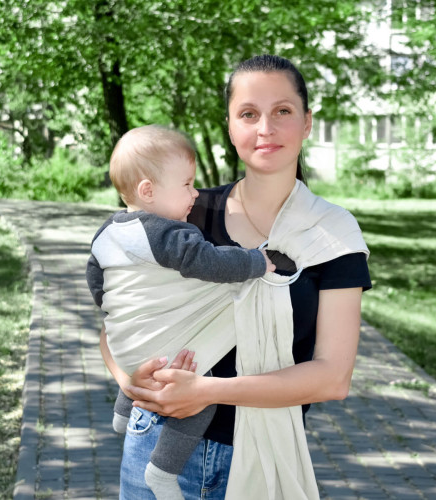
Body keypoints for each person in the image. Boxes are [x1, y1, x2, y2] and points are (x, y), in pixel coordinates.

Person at [100, 54, 373, 500]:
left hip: (262, 456)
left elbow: (332, 378)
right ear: (230, 126)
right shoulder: (182, 212)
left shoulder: (332, 234)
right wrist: (128, 380)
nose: (265, 128)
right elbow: (117, 319)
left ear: (307, 122)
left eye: (282, 111)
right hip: (156, 445)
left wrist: (207, 391)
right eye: (248, 114)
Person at [85, 124, 276, 500]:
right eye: (187, 184)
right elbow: (207, 261)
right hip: (164, 354)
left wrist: (116, 308)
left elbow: (96, 278)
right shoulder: (169, 233)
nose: (195, 193)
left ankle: (123, 412)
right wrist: (256, 261)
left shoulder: (109, 229)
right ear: (148, 191)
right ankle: (163, 470)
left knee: (147, 353)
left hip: (126, 345)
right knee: (199, 395)